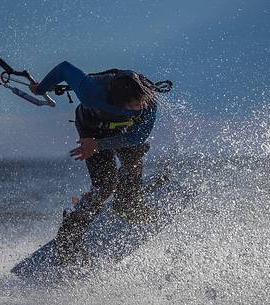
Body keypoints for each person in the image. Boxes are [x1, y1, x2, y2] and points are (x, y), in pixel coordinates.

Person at [30, 61, 172, 265]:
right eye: (134, 105)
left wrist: (101, 145)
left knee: (134, 161)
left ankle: (127, 203)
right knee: (104, 186)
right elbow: (64, 69)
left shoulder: (148, 100)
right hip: (91, 129)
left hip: (124, 132)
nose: (142, 106)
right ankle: (70, 235)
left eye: (142, 101)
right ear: (118, 103)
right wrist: (41, 88)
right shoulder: (91, 91)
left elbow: (138, 137)